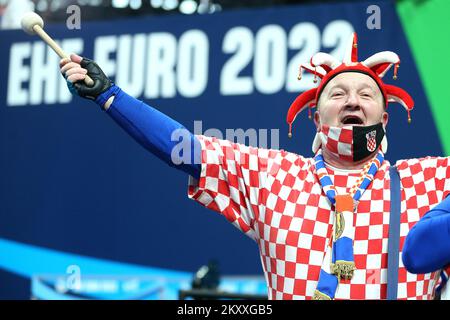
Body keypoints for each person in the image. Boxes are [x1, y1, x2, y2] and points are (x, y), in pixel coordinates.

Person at [59, 32, 450, 300]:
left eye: (366, 94)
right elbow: (183, 147)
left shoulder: (429, 180)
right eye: (338, 94)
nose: (352, 101)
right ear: (315, 119)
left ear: (384, 121)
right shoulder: (274, 176)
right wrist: (111, 96)